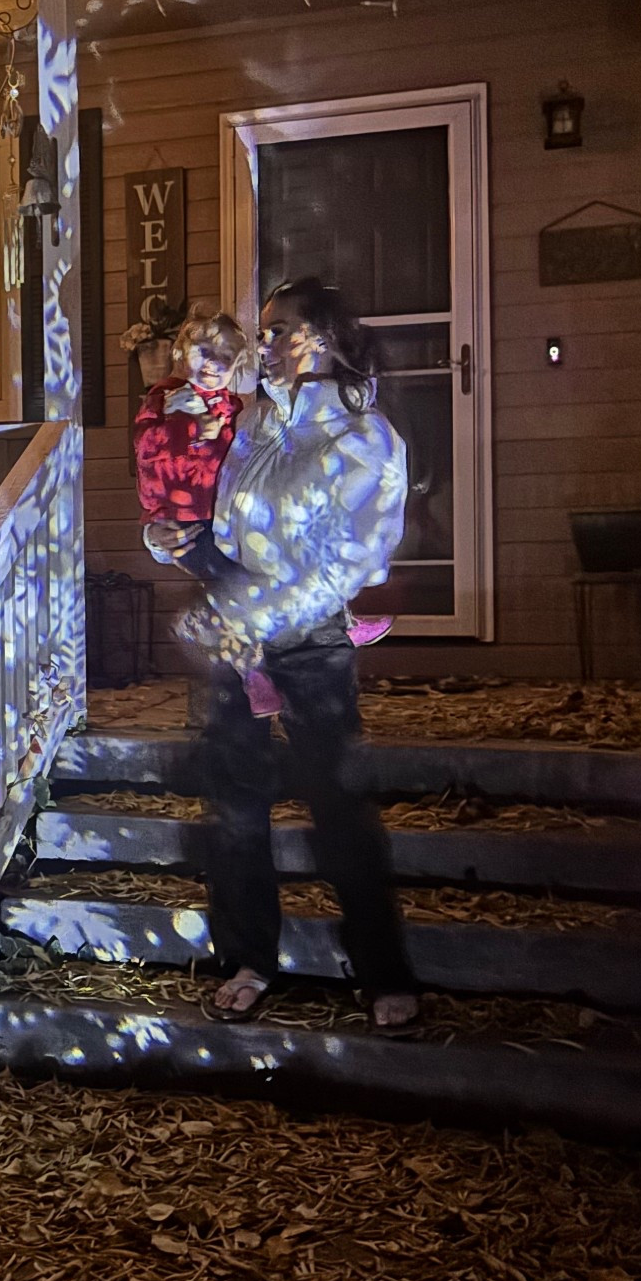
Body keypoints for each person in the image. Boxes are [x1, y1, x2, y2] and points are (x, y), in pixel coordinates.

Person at [150, 276, 419, 1031]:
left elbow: (349, 565)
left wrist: (246, 612)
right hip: (238, 644)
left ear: (324, 339)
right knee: (235, 808)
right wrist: (179, 544)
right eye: (261, 330)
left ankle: (383, 971)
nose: (261, 343)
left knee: (337, 805)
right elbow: (228, 535)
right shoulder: (254, 430)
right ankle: (250, 958)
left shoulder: (364, 441)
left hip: (307, 643)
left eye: (279, 329)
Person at [132, 308, 249, 579]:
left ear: (236, 366)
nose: (214, 363)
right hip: (180, 515)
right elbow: (145, 446)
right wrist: (191, 428)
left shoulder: (233, 407)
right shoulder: (167, 398)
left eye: (226, 357)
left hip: (219, 515)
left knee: (233, 581)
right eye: (204, 351)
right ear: (181, 354)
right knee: (224, 581)